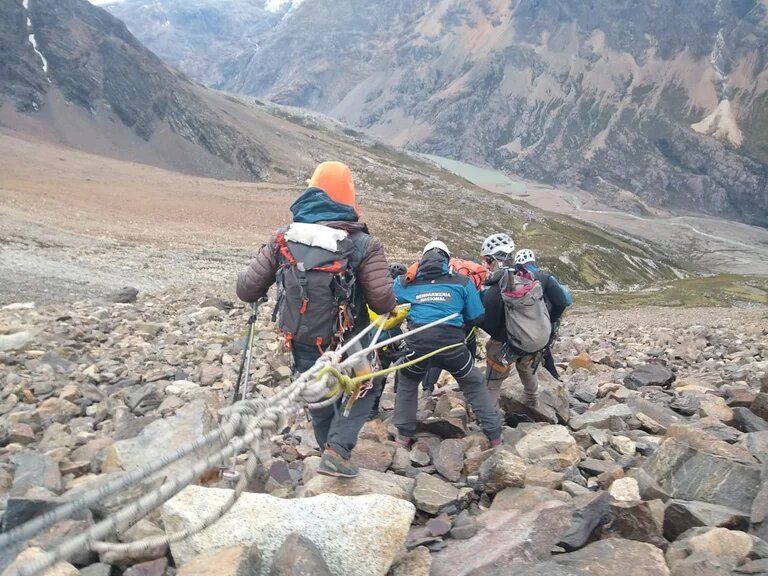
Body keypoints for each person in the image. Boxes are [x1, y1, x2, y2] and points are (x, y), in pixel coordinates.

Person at [236, 161, 396, 478]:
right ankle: (337, 451)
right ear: (349, 197)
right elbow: (382, 300)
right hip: (350, 339)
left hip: (304, 337)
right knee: (365, 385)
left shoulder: (283, 238)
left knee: (320, 395)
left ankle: (327, 451)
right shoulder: (363, 244)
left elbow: (246, 289)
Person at [392, 240, 502, 447]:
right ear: (448, 260)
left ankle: (403, 436)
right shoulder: (462, 282)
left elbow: (388, 304)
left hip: (418, 344)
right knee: (474, 384)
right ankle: (495, 436)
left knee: (407, 382)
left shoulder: (404, 282)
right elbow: (477, 316)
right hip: (451, 345)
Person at [478, 233, 546, 419]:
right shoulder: (527, 279)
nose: (484, 264)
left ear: (492, 260)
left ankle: (490, 422)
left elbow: (491, 325)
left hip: (505, 346)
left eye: (485, 260)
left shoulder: (493, 290)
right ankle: (533, 402)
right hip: (531, 339)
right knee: (526, 369)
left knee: (493, 383)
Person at [514, 248, 573, 380]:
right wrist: (552, 319)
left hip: (521, 323)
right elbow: (563, 301)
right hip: (544, 323)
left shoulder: (514, 279)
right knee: (544, 350)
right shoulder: (546, 278)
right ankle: (553, 379)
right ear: (533, 261)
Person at [367, 262, 410, 420]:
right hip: (394, 337)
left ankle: (371, 408)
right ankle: (400, 399)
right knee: (403, 366)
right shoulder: (404, 292)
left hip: (376, 337)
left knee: (378, 373)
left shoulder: (375, 290)